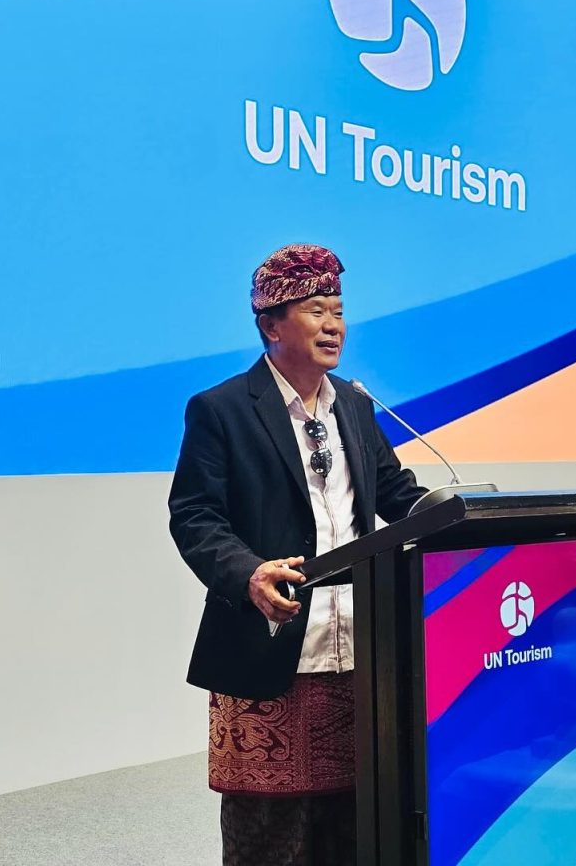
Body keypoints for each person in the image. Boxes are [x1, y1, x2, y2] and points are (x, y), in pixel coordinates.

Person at [168, 243, 425, 866]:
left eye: (338, 310)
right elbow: (194, 515)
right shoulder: (222, 409)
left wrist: (462, 515)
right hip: (272, 654)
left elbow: (396, 494)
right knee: (270, 843)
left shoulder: (356, 406)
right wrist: (247, 573)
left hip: (361, 656)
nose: (334, 324)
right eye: (316, 310)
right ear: (272, 325)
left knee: (358, 834)